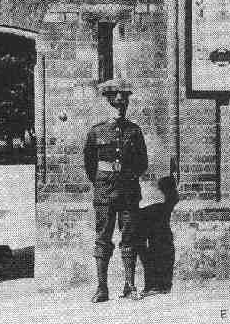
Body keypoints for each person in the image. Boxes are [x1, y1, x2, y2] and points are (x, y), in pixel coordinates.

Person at [84, 78, 149, 303]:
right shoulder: (96, 132)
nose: (120, 107)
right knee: (103, 238)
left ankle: (130, 286)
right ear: (108, 103)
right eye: (116, 104)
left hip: (129, 191)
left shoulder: (134, 131)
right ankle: (102, 288)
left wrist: (128, 177)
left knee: (129, 237)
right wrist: (104, 181)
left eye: (123, 105)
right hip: (104, 191)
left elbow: (142, 163)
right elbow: (90, 165)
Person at [139, 176, 179, 297]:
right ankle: (154, 283)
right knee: (145, 242)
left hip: (162, 192)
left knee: (161, 238)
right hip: (143, 195)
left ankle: (161, 284)